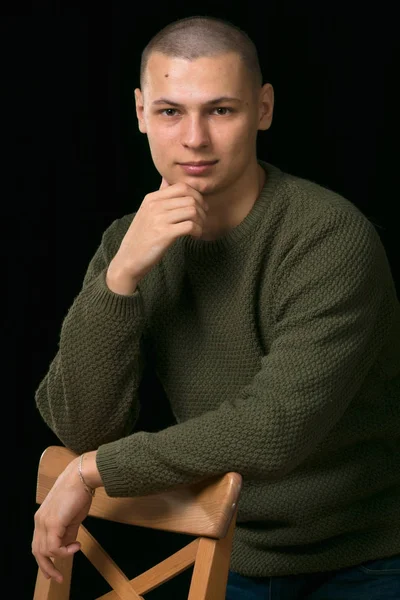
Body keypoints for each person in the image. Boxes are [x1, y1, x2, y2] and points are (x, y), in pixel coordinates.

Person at [32, 15, 400, 599]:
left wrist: (92, 471)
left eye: (221, 110)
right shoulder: (130, 241)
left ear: (263, 109)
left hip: (367, 556)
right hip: (232, 549)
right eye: (171, 111)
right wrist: (120, 279)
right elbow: (82, 426)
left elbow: (273, 428)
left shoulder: (327, 236)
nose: (195, 139)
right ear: (140, 114)